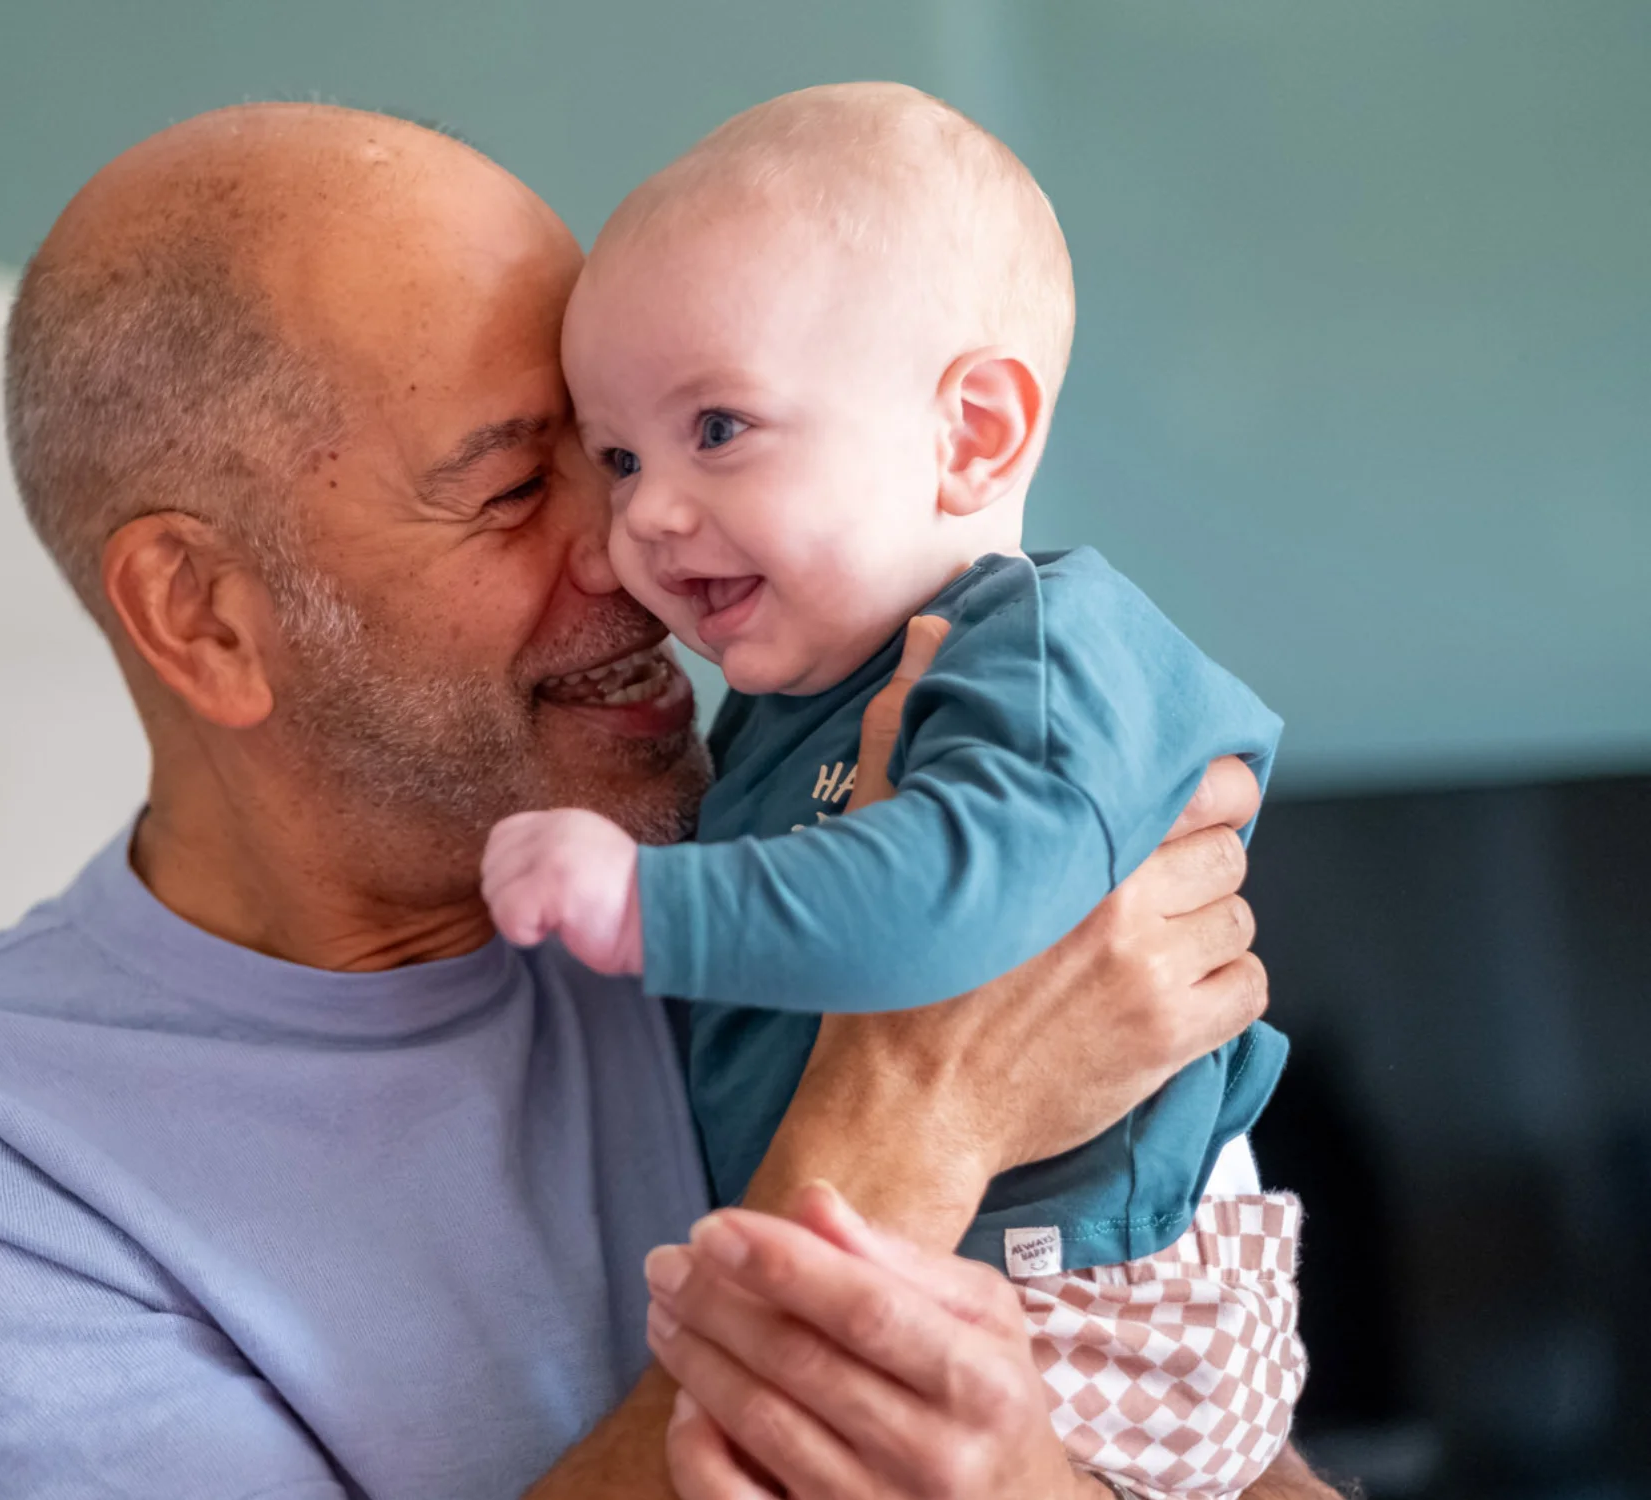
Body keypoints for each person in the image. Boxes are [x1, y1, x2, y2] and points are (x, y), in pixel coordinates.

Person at [0, 102, 1333, 1499]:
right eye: (516, 487)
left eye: (642, 448)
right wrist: (917, 1099)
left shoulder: (784, 847)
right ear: (203, 616)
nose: (643, 554)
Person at [479, 84, 1304, 1497]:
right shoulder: (789, 713)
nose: (644, 521)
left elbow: (955, 897)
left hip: (1109, 1303)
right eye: (620, 459)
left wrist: (641, 900)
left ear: (973, 435)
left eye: (718, 428)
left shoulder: (1045, 654)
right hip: (983, 1272)